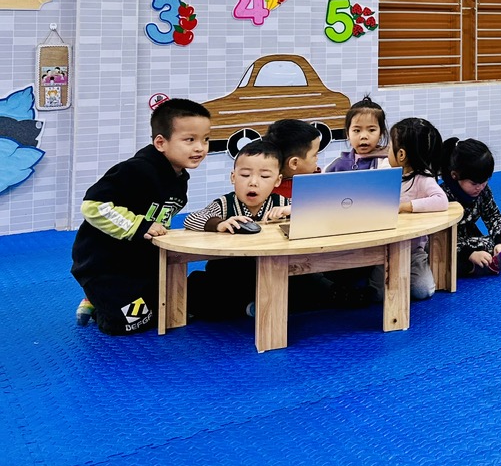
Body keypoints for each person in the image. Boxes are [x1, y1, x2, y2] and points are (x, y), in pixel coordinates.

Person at [71, 98, 210, 334]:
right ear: (160, 142)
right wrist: (139, 226)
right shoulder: (136, 170)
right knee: (131, 324)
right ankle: (96, 299)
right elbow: (94, 206)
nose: (200, 147)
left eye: (205, 139)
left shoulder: (178, 177)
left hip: (139, 263)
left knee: (172, 309)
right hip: (105, 264)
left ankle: (105, 298)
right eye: (190, 140)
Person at [183, 138, 291, 320]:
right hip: (229, 276)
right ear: (233, 177)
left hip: (270, 274)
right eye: (245, 175)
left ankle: (252, 305)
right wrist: (219, 224)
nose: (253, 182)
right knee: (196, 290)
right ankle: (248, 307)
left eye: (265, 177)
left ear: (277, 180)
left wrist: (291, 210)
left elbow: (314, 212)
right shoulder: (224, 204)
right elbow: (191, 219)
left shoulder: (281, 203)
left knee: (307, 284)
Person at [370, 117, 450, 301]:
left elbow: (441, 201)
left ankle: (405, 274)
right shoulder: (386, 171)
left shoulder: (423, 179)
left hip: (413, 251)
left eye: (390, 147)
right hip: (383, 248)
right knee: (377, 294)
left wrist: (404, 207)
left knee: (424, 290)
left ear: (401, 155)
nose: (387, 151)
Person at [434, 138, 501, 277]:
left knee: (490, 245)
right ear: (455, 175)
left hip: (469, 236)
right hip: (446, 240)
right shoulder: (443, 196)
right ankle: (472, 267)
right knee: (440, 259)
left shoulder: (483, 191)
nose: (480, 187)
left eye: (484, 181)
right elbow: (441, 235)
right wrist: (470, 254)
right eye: (474, 183)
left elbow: (493, 216)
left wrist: (500, 243)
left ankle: (480, 264)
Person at [325, 96, 388, 172]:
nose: (364, 136)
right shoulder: (337, 165)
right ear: (348, 134)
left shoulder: (387, 163)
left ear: (381, 133)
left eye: (371, 130)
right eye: (357, 130)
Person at [264, 118, 322, 197]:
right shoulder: (309, 192)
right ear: (294, 163)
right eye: (314, 155)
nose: (317, 159)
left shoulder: (263, 189)